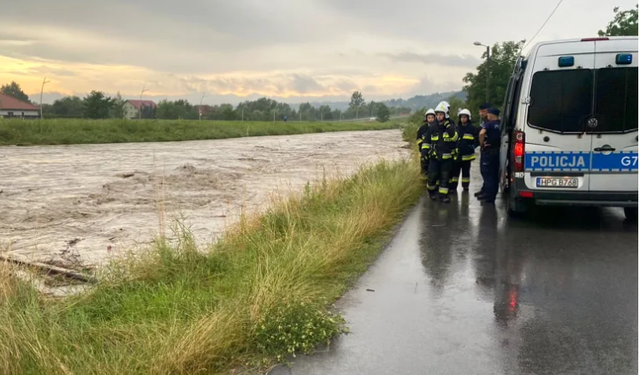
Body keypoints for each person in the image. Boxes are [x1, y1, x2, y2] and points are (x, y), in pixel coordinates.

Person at [426, 101, 458, 203]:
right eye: (437, 115)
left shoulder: (451, 125)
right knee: (432, 177)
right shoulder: (432, 127)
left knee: (445, 178)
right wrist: (424, 153)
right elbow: (426, 141)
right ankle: (431, 192)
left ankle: (443, 196)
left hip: (446, 158)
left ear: (445, 114)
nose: (439, 117)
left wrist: (449, 128)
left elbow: (455, 138)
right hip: (434, 157)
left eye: (441, 114)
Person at [450, 109, 478, 192]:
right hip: (457, 155)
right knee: (455, 172)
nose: (463, 119)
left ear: (468, 118)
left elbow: (477, 140)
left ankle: (465, 187)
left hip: (467, 155)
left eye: (465, 117)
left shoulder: (472, 128)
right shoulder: (457, 128)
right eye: (462, 117)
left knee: (466, 173)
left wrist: (473, 146)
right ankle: (453, 187)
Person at [478, 107, 502, 205]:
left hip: (489, 152)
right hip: (498, 152)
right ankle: (492, 196)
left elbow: (481, 133)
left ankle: (488, 196)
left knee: (487, 174)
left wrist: (481, 143)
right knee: (494, 175)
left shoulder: (489, 124)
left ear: (491, 115)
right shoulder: (501, 124)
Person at [474, 103, 492, 198]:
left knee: (487, 171)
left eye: (483, 111)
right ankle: (484, 189)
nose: (481, 113)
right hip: (483, 149)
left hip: (488, 148)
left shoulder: (490, 121)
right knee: (483, 170)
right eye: (480, 112)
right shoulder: (484, 121)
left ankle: (487, 192)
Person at [418, 109, 436, 180]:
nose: (430, 119)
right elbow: (418, 139)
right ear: (426, 118)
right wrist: (422, 148)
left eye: (432, 117)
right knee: (424, 169)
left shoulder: (437, 128)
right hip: (423, 153)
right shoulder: (422, 129)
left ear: (434, 118)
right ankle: (423, 184)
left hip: (434, 153)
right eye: (429, 118)